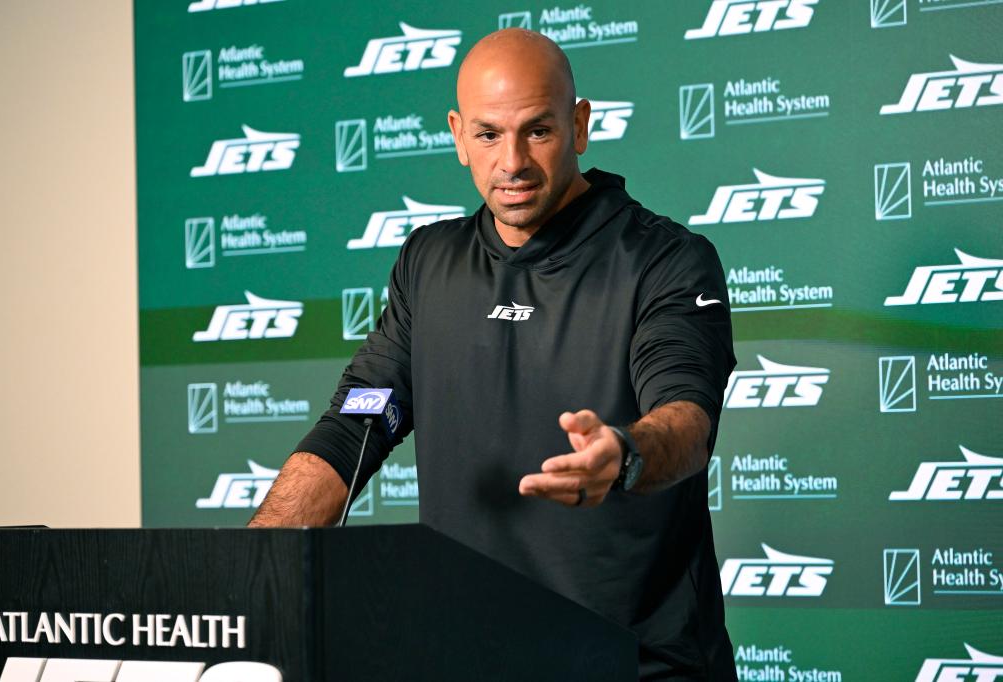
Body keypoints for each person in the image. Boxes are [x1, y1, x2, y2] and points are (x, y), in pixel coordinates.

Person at [250, 28, 738, 681]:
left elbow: (687, 418)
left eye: (537, 131)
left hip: (637, 664)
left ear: (580, 124)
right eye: (487, 134)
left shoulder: (665, 260)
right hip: (471, 659)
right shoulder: (429, 265)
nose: (512, 161)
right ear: (457, 135)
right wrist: (247, 577)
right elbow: (358, 425)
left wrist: (624, 453)